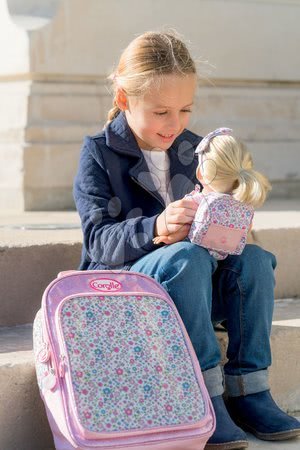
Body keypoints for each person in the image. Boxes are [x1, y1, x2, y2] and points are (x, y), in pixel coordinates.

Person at [73, 30, 300, 450]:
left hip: (196, 288)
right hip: (128, 289)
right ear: (124, 99)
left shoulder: (197, 148)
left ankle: (250, 390)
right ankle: (204, 394)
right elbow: (98, 241)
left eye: (185, 110)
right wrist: (158, 227)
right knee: (185, 258)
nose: (175, 124)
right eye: (160, 112)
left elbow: (228, 237)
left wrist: (229, 221)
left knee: (254, 259)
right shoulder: (98, 153)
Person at [152, 127, 271, 262]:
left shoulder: (196, 202)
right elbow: (246, 231)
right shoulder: (243, 205)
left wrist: (165, 238)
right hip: (228, 260)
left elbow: (180, 231)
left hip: (196, 261)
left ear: (200, 174)